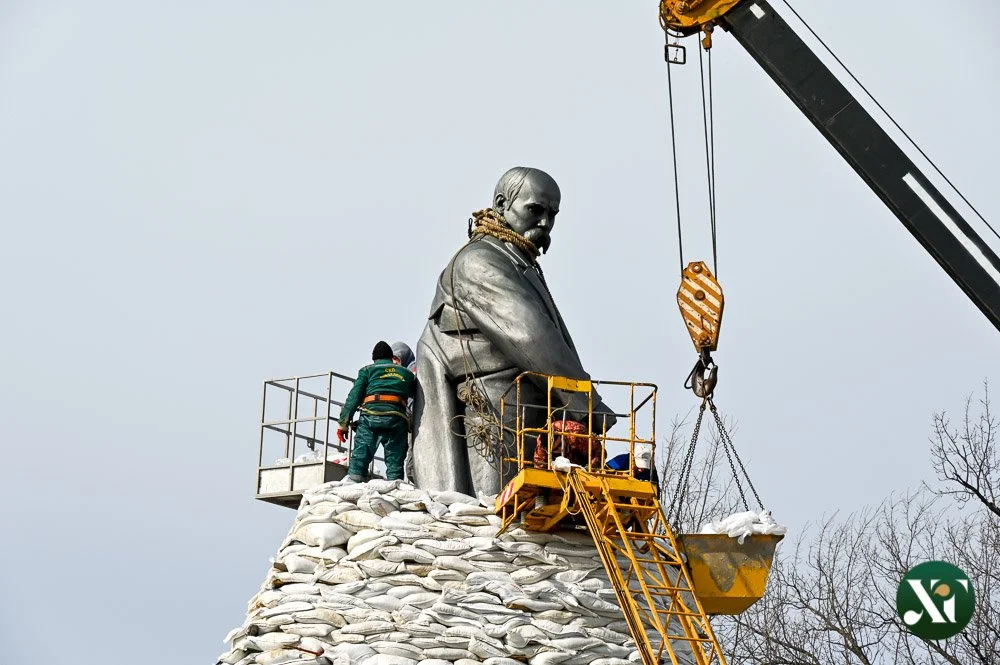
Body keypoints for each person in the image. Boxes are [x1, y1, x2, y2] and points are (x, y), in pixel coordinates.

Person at [411, 166, 617, 497]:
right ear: (502, 203)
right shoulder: (479, 262)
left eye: (552, 214)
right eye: (535, 210)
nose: (545, 223)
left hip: (531, 419)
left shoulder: (517, 262)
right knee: (494, 520)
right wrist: (586, 403)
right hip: (494, 420)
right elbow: (531, 337)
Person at [337, 340, 416, 482]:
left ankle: (354, 486)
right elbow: (414, 398)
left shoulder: (367, 371)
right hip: (396, 421)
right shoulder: (406, 374)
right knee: (395, 466)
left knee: (359, 461)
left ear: (375, 359)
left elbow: (353, 398)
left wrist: (343, 424)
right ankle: (395, 488)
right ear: (391, 357)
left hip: (370, 420)